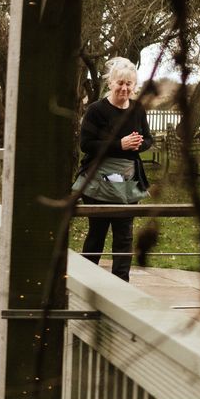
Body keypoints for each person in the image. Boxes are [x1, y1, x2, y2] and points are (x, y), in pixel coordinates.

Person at [76, 57, 151, 281]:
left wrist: (139, 144)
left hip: (128, 181)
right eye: (120, 83)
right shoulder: (96, 110)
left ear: (134, 85)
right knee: (97, 233)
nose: (124, 88)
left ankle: (121, 284)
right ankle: (86, 281)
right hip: (97, 181)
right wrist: (119, 144)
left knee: (124, 235)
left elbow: (148, 139)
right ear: (110, 83)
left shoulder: (137, 109)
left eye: (129, 83)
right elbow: (86, 144)